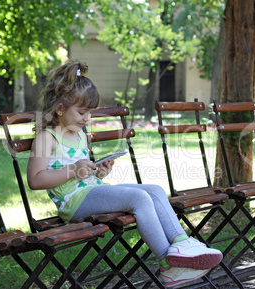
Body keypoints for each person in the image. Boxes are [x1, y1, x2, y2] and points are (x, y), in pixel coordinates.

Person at [27, 59, 223, 288]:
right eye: (82, 112)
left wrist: (98, 172)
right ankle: (168, 266)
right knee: (139, 199)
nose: (86, 119)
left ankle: (182, 243)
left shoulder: (79, 134)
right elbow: (35, 179)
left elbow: (82, 175)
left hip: (91, 192)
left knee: (155, 190)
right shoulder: (46, 138)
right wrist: (73, 170)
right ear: (60, 109)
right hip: (73, 203)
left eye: (90, 113)